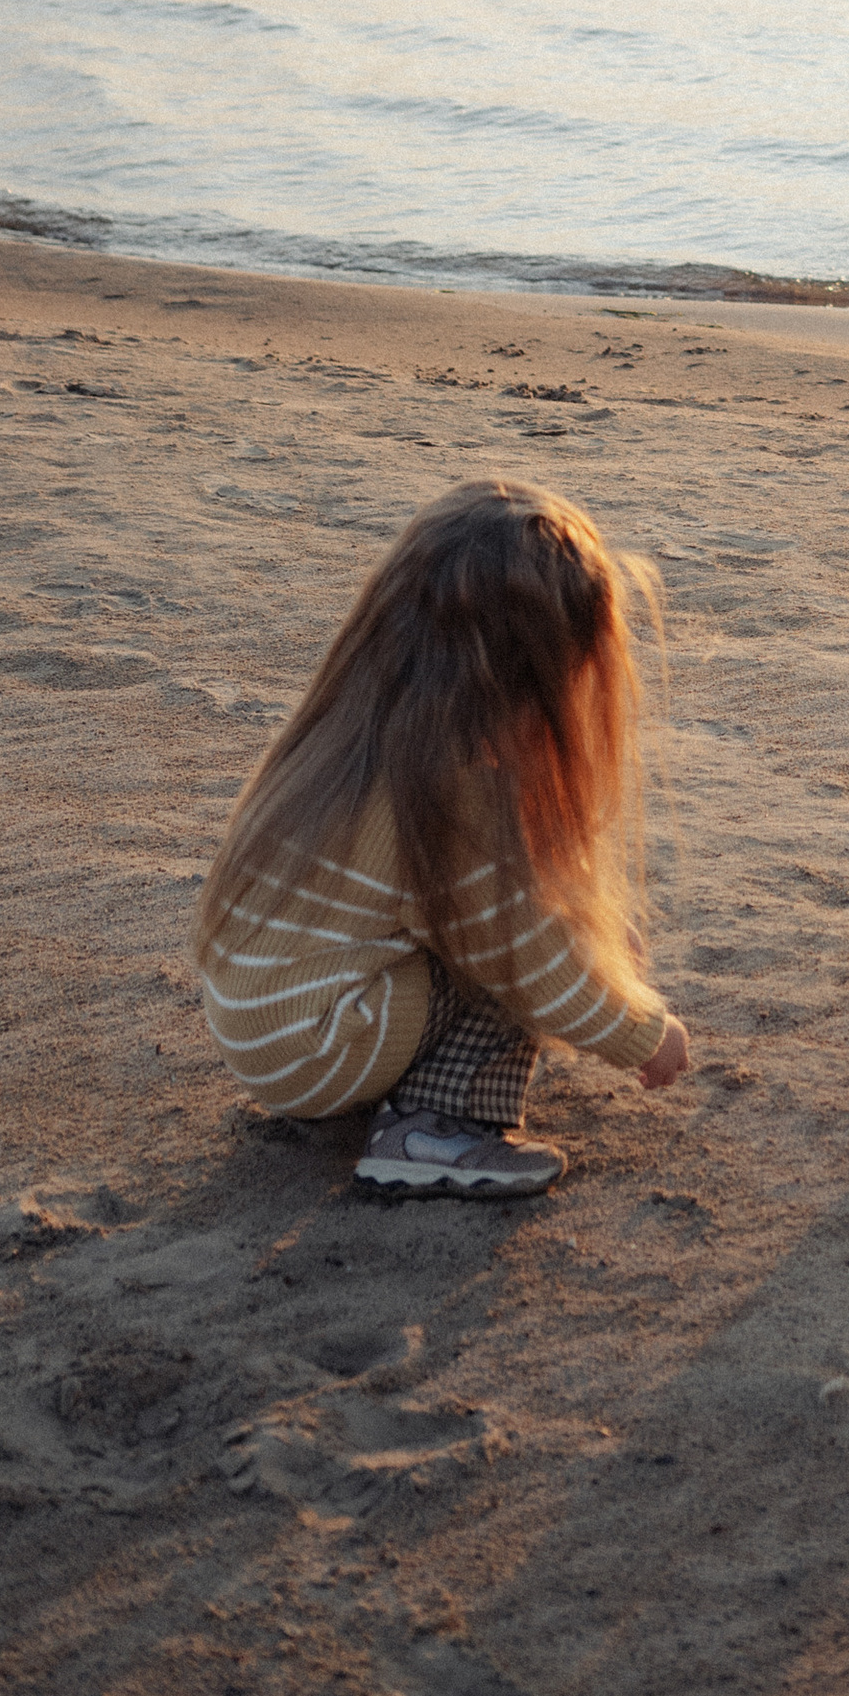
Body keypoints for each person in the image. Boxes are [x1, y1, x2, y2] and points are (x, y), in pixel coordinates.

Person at [195, 480, 690, 1195]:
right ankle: (430, 1132)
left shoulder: (350, 736)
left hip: (262, 1019)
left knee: (509, 926)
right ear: (530, 685)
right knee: (509, 954)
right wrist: (645, 1031)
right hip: (315, 1046)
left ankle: (395, 1092)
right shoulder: (447, 796)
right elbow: (536, 961)